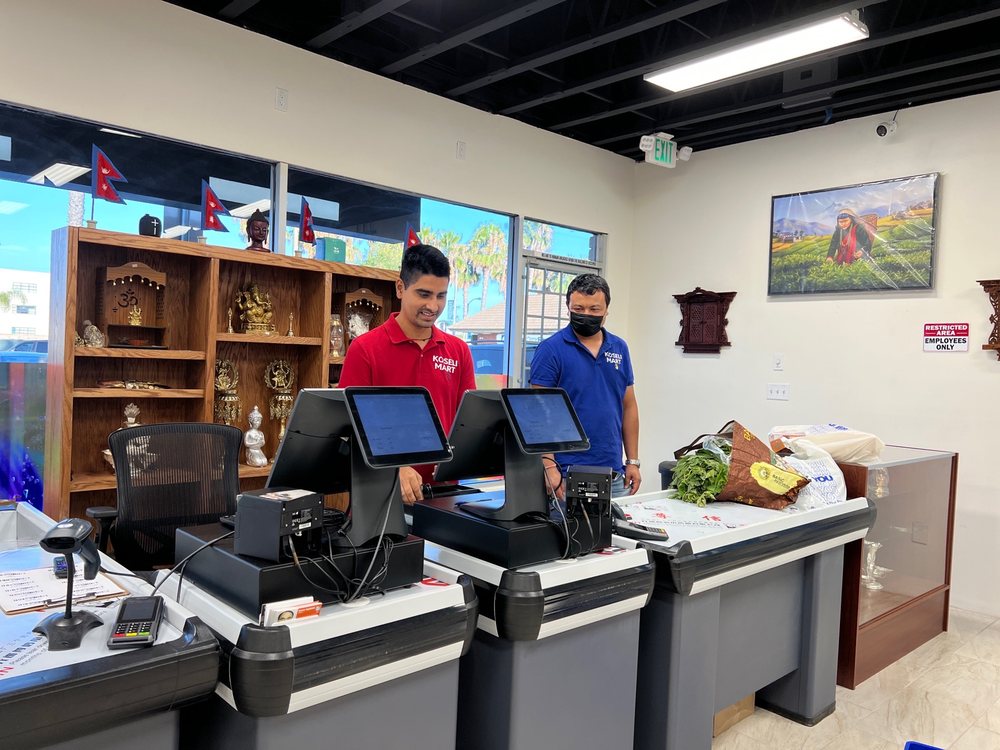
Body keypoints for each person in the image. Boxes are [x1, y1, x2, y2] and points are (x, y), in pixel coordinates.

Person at [338, 243, 476, 503]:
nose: (433, 306)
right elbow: (349, 427)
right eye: (424, 294)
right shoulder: (365, 349)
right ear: (400, 288)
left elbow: (468, 423)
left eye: (441, 296)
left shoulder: (458, 351)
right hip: (381, 495)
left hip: (443, 494)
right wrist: (393, 466)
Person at [529, 273, 641, 499]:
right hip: (566, 473)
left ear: (606, 310)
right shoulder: (550, 349)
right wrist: (549, 465)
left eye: (594, 309)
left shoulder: (619, 348)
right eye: (578, 308)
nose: (586, 314)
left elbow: (628, 405)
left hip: (613, 472)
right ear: (568, 308)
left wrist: (633, 461)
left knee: (618, 524)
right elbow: (538, 411)